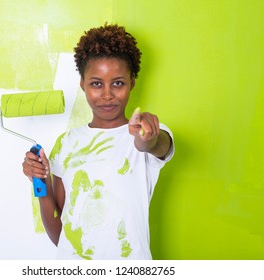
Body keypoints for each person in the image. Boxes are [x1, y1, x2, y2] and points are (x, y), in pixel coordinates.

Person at [22, 23, 174, 260]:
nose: (107, 94)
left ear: (132, 82)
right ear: (82, 84)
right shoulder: (66, 143)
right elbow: (61, 231)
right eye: (96, 83)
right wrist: (40, 183)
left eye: (118, 83)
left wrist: (148, 138)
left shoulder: (145, 132)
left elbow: (153, 144)